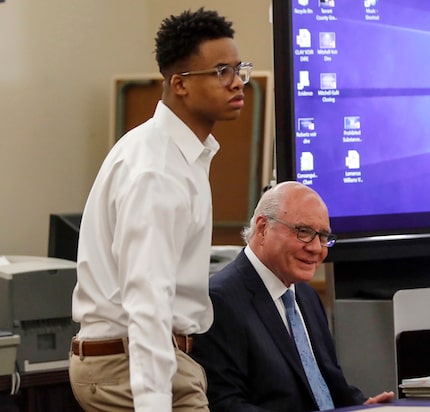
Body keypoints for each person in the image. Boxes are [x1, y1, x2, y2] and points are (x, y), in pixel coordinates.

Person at [69, 8, 252, 412]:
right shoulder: (156, 170)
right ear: (180, 84)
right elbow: (147, 299)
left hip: (157, 358)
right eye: (222, 71)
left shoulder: (179, 154)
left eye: (240, 69)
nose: (238, 82)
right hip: (129, 363)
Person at [192, 181, 394, 411]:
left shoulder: (306, 296)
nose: (317, 248)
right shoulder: (218, 300)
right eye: (304, 232)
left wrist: (362, 406)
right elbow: (224, 403)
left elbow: (323, 381)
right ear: (262, 228)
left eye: (323, 236)